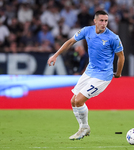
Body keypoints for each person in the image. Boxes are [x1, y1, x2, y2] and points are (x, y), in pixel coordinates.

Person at [47, 10, 125, 140]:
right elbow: (70, 41)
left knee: (79, 100)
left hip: (102, 76)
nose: (104, 23)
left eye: (106, 21)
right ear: (95, 21)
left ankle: (83, 128)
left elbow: (121, 57)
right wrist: (55, 55)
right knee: (73, 101)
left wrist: (118, 73)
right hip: (89, 72)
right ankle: (84, 127)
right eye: (101, 20)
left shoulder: (113, 37)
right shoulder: (86, 31)